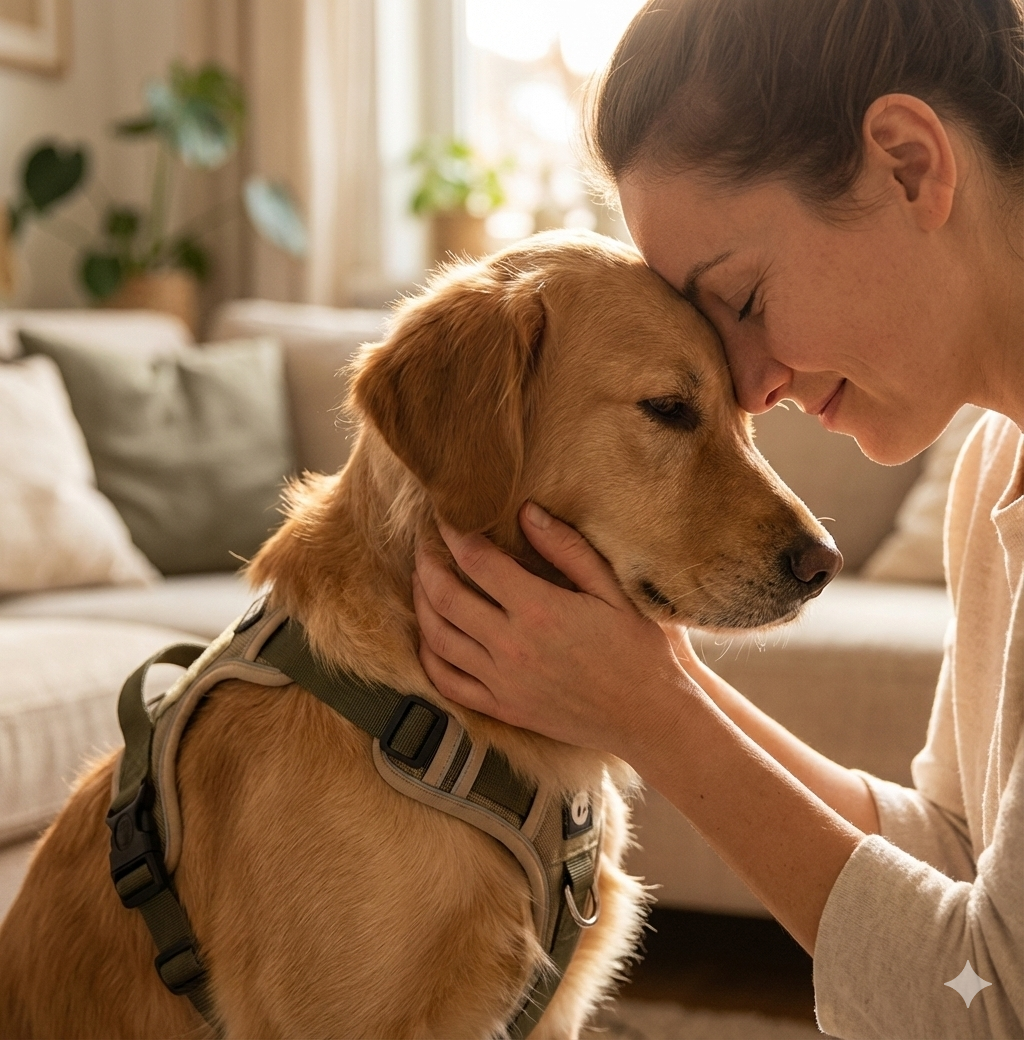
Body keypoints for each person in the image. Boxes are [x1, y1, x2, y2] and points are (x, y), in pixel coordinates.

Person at [410, 1, 1024, 1037]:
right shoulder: (994, 467)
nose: (747, 385)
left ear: (908, 165)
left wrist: (658, 718)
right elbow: (961, 853)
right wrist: (648, 678)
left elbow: (989, 1000)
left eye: (739, 296)